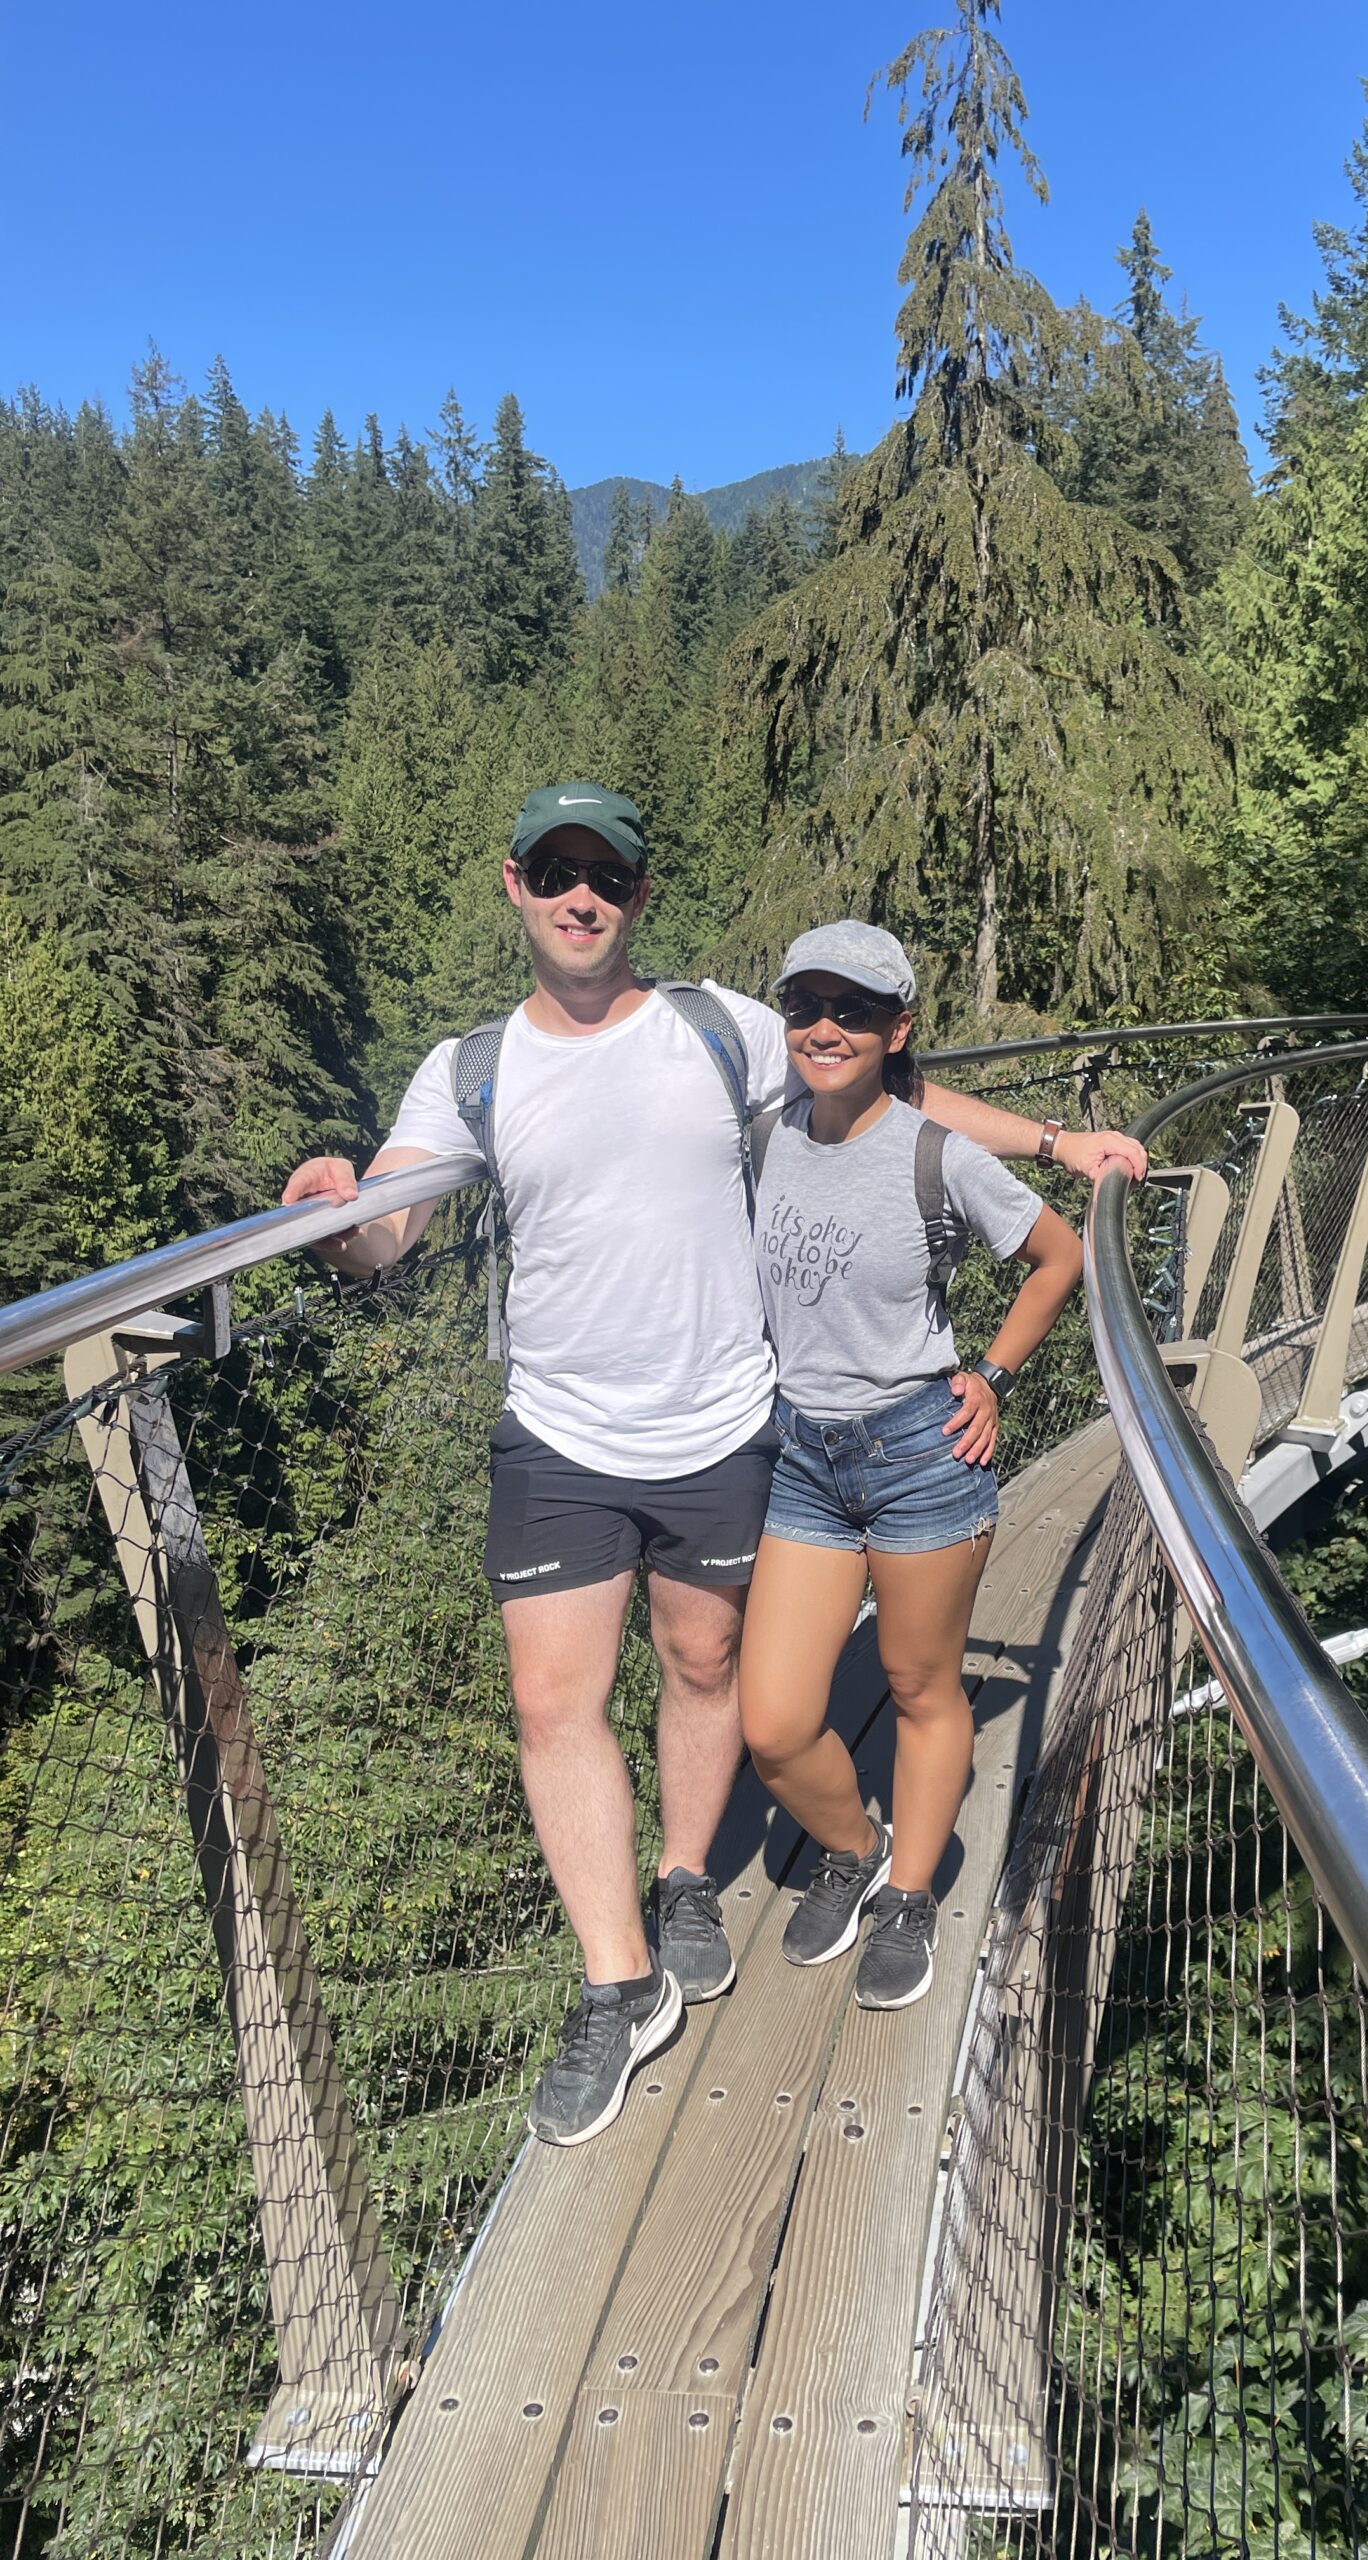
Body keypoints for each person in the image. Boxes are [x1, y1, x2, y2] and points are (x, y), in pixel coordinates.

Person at [281, 782, 1145, 2145]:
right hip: (561, 1432)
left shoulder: (717, 1027)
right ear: (514, 886)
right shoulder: (468, 1070)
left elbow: (886, 1093)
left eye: (607, 879)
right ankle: (615, 1981)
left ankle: (691, 1877)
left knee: (704, 1672)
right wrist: (336, 1214)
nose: (582, 898)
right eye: (558, 874)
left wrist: (1056, 1145)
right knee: (552, 1701)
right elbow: (387, 1231)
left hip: (732, 1424)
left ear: (636, 898)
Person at [738, 923, 1084, 2011]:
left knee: (920, 1688)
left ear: (898, 1029)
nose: (824, 1028)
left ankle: (909, 1894)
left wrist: (992, 1374)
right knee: (776, 1724)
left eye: (853, 1010)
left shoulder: (934, 1150)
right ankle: (856, 1843)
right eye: (805, 1007)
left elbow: (1057, 1253)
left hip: (919, 1452)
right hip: (804, 1453)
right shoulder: (761, 1135)